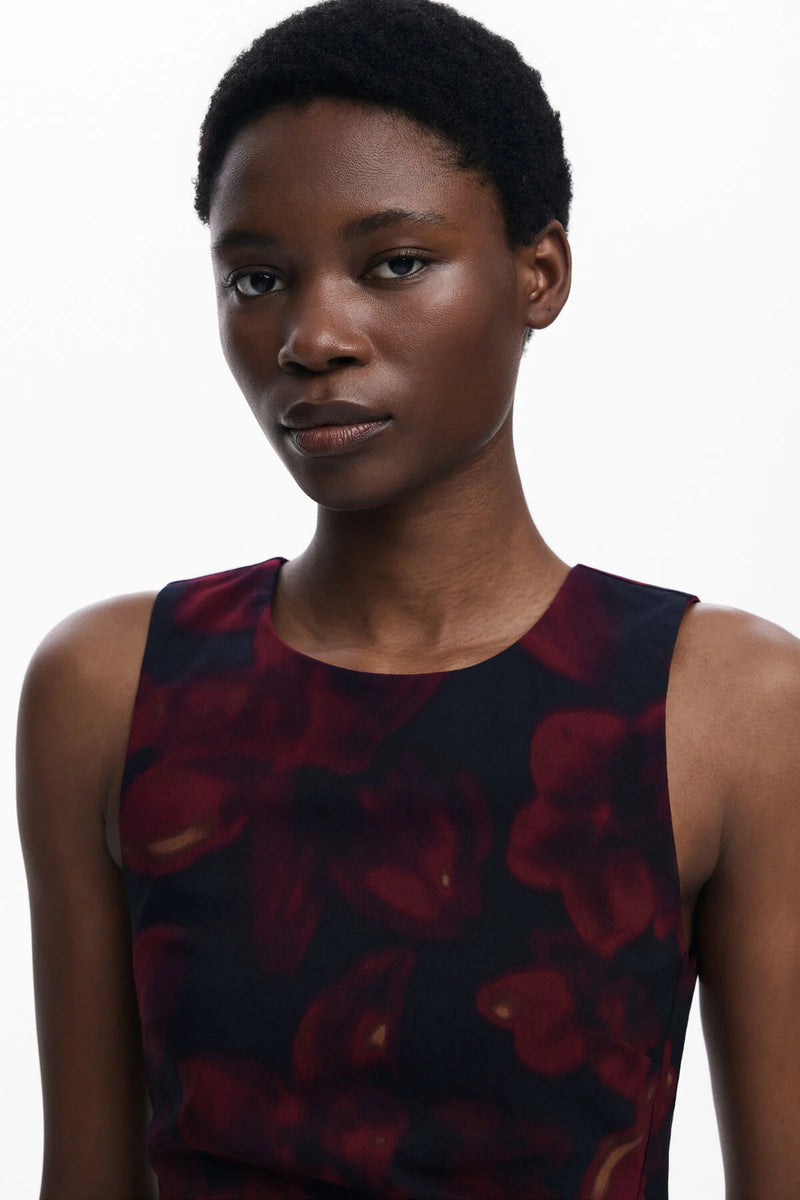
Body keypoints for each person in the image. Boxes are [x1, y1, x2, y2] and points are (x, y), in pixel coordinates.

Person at [15, 0, 800, 1196]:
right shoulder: (109, 690)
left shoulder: (725, 707)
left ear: (538, 274)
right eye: (258, 278)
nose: (311, 336)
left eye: (393, 263)